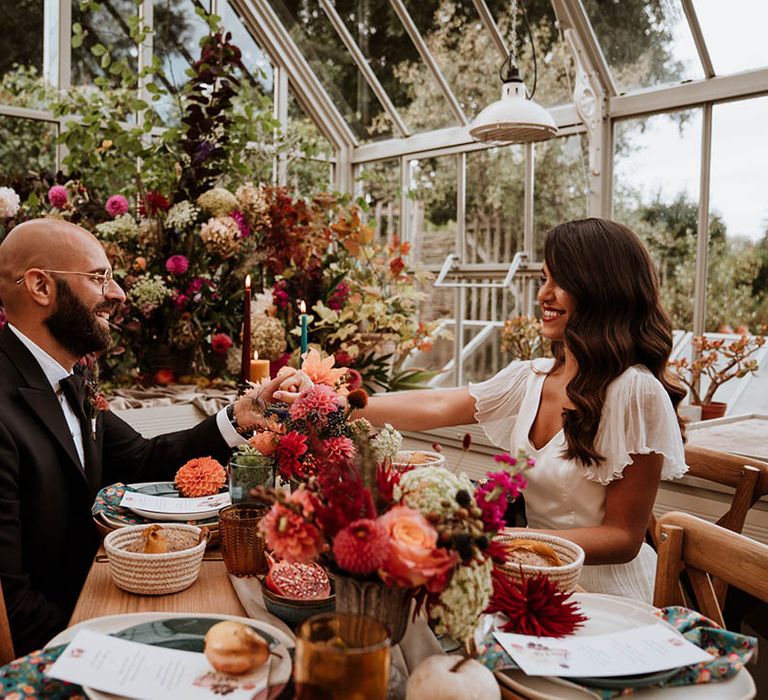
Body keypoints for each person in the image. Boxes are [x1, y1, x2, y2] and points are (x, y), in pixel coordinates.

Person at [274, 218, 687, 603]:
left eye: (561, 282)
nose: (544, 295)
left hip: (606, 600)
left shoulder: (636, 392)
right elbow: (437, 403)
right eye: (545, 279)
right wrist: (336, 404)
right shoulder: (530, 378)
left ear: (600, 290)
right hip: (527, 579)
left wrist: (496, 540)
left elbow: (623, 537)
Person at [0, 219, 254, 655]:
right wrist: (111, 644)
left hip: (104, 594)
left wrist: (240, 417)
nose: (117, 294)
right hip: (63, 638)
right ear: (41, 287)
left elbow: (141, 460)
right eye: (100, 277)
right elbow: (10, 604)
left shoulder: (72, 376)